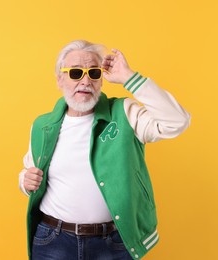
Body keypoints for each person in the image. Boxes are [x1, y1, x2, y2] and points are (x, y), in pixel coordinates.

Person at [18, 40, 191, 260]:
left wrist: (129, 77)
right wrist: (24, 180)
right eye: (75, 73)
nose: (85, 80)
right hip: (54, 240)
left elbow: (177, 121)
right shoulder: (43, 125)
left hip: (112, 244)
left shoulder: (125, 114)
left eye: (94, 72)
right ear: (60, 79)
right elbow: (29, 171)